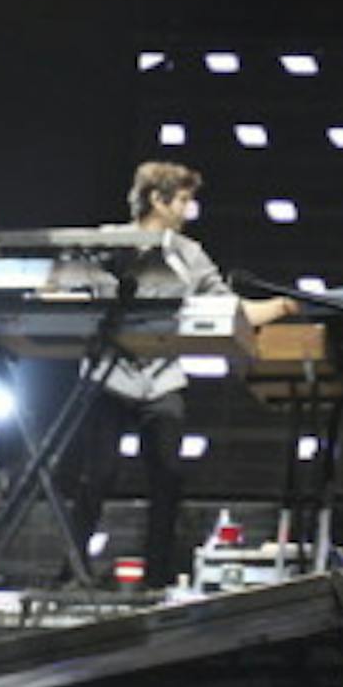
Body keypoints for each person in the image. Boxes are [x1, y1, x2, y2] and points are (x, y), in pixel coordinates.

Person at [60, 160, 298, 589]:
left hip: (162, 378)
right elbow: (63, 291)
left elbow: (230, 308)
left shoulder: (191, 255)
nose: (190, 209)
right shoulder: (107, 241)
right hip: (107, 375)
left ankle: (157, 576)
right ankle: (71, 573)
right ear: (158, 198)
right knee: (99, 475)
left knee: (169, 475)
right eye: (184, 199)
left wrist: (280, 307)